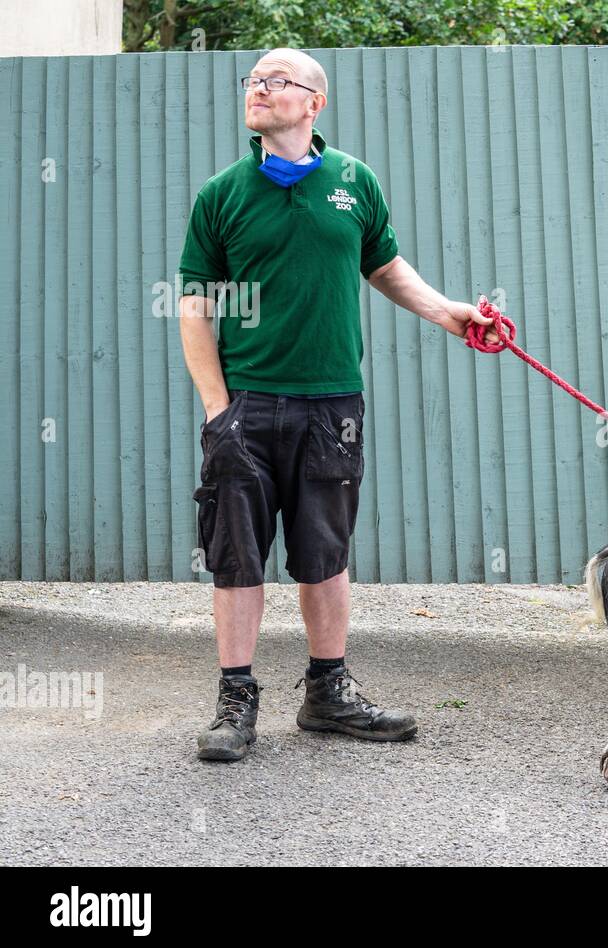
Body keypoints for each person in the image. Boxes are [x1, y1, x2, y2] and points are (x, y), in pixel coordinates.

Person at [178, 48, 497, 762]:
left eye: (276, 81)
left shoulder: (354, 182)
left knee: (325, 554)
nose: (259, 90)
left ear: (313, 102)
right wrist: (216, 408)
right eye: (253, 80)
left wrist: (450, 313)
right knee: (237, 555)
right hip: (247, 406)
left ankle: (327, 693)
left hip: (331, 403)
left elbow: (384, 266)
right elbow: (194, 309)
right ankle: (235, 700)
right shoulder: (221, 194)